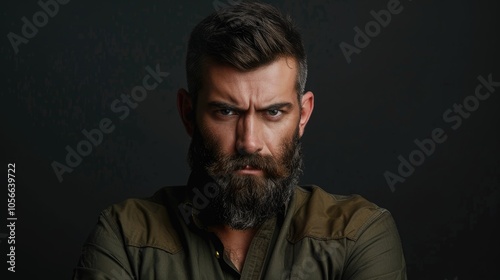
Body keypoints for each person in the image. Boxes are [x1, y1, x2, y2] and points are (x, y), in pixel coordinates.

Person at [72, 1, 407, 279]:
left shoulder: (358, 234)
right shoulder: (124, 237)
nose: (249, 142)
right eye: (227, 112)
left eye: (273, 113)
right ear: (188, 113)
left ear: (303, 116)